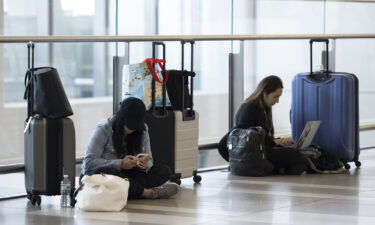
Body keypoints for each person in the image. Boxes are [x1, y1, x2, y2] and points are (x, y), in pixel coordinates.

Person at [81, 97, 179, 199]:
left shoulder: (142, 129)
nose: (131, 130)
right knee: (110, 175)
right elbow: (89, 163)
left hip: (127, 175)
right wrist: (120, 163)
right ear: (121, 119)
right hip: (105, 174)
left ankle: (129, 190)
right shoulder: (103, 129)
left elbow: (149, 160)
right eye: (129, 126)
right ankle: (148, 193)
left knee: (164, 171)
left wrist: (144, 164)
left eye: (135, 127)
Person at [218, 75, 309, 175]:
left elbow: (259, 136)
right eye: (275, 97)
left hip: (260, 151)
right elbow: (245, 139)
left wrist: (276, 141)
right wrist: (273, 142)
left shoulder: (261, 108)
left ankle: (278, 169)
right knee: (295, 155)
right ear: (264, 93)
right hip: (255, 154)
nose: (277, 101)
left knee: (296, 154)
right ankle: (279, 168)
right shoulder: (249, 109)